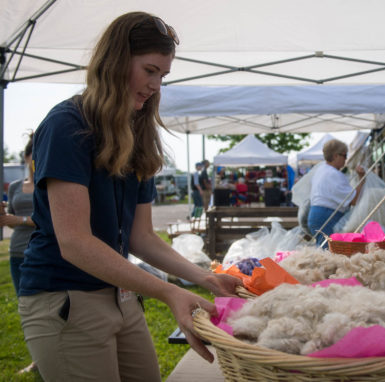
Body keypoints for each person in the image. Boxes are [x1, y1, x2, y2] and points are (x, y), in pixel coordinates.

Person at [17, 12, 241, 382]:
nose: (155, 85)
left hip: (120, 295)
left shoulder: (137, 133)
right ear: (116, 62)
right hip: (65, 298)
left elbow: (141, 237)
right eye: (149, 70)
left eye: (163, 76)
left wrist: (205, 278)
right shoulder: (66, 126)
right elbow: (74, 242)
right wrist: (169, 292)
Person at [0, 133, 37, 374]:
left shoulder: (49, 184)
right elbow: (11, 221)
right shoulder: (15, 186)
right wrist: (5, 219)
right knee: (24, 306)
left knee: (41, 305)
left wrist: (20, 219)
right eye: (33, 158)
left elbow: (52, 220)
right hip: (17, 252)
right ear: (25, 158)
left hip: (40, 252)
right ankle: (36, 357)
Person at [307, 139, 365, 247]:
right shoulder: (334, 175)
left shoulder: (321, 170)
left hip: (315, 215)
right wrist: (362, 178)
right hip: (327, 216)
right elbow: (353, 200)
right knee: (329, 253)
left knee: (322, 251)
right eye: (344, 155)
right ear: (335, 156)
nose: (346, 159)